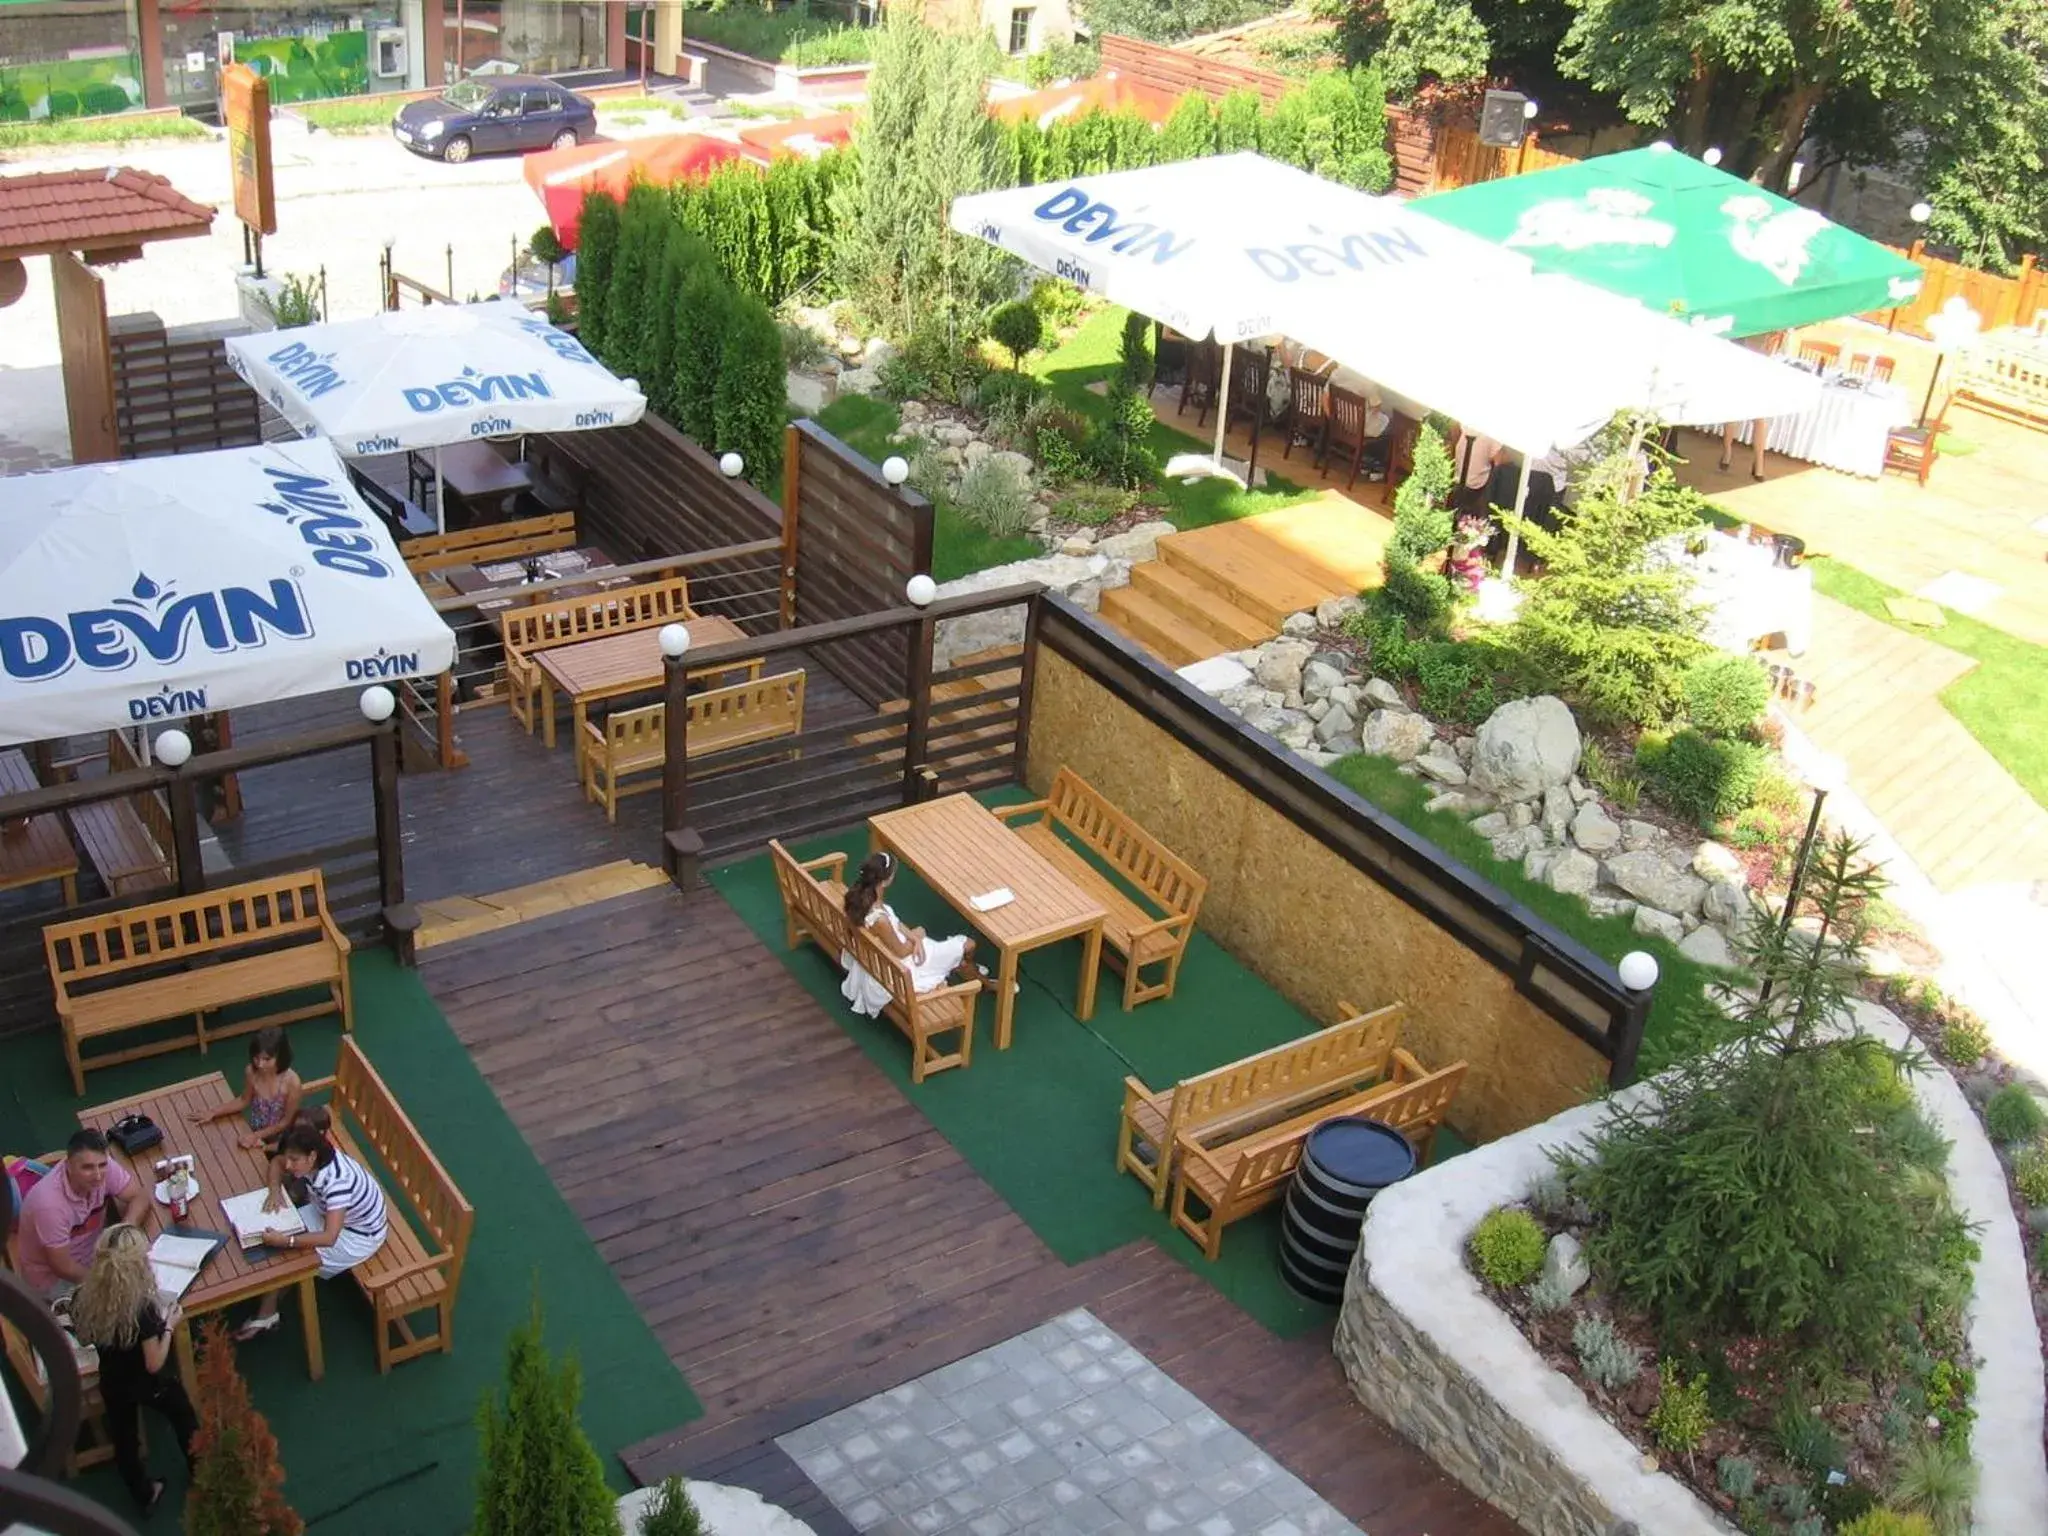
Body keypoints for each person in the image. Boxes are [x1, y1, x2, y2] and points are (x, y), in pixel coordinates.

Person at [68, 1223, 198, 1515]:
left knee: (124, 1439)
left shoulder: (83, 1296)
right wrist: (169, 1327)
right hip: (145, 1383)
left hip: (112, 1381)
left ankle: (143, 1492)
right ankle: (199, 1469)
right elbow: (154, 1363)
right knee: (181, 1412)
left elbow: (86, 1336)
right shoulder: (142, 1308)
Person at [235, 1120, 386, 1341]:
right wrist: (275, 1190)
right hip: (328, 1215)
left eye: (294, 1160)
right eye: (289, 1158)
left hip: (356, 1236)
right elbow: (277, 1162)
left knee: (291, 1254)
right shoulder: (309, 1158)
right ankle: (271, 1299)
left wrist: (286, 1241)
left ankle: (267, 1314)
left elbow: (329, 1237)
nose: (288, 1165)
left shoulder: (337, 1185)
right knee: (281, 1235)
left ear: (312, 1156)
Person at [838, 851, 982, 1017]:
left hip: (891, 953)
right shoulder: (879, 919)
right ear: (886, 880)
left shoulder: (862, 899)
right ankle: (977, 979)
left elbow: (895, 923)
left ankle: (968, 969)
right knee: (968, 944)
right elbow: (900, 951)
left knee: (944, 948)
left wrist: (913, 936)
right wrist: (918, 937)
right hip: (901, 966)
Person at [15, 1129, 149, 1299]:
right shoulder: (49, 1205)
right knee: (126, 1301)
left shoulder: (103, 1167)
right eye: (87, 1168)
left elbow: (140, 1197)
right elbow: (63, 1267)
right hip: (54, 1279)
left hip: (95, 1253)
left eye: (102, 1165)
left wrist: (121, 1232)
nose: (98, 1176)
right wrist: (107, 1283)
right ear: (68, 1165)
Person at [188, 1026, 302, 1151]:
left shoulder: (293, 1082)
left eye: (267, 1059)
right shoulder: (251, 1072)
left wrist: (255, 1136)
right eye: (256, 1058)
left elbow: (285, 1122)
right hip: (254, 1129)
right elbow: (244, 1100)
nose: (260, 1064)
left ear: (280, 1055)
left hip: (280, 1140)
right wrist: (213, 1112)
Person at [1719, 329, 1790, 480]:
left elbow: (1773, 353)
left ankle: (1759, 463)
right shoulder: (1747, 327)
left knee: (1760, 420)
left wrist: (1774, 341)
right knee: (1732, 416)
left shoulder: (1776, 327)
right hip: (1741, 371)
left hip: (1761, 373)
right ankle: (1727, 452)